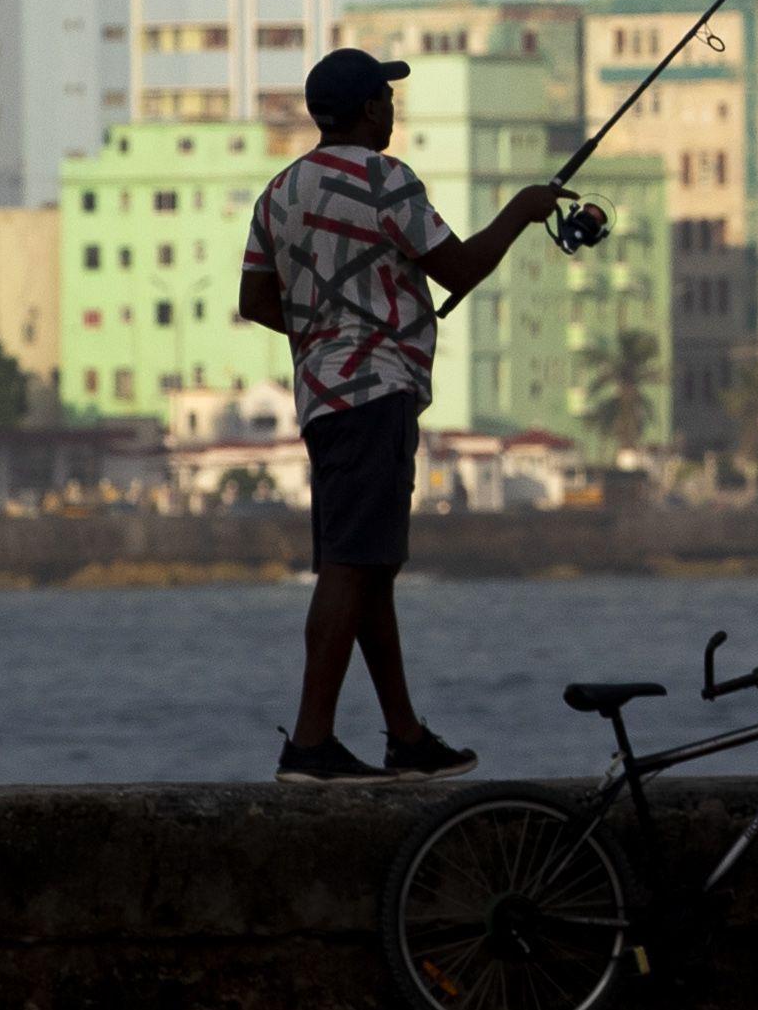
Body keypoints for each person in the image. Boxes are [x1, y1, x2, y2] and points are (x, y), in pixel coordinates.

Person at [234, 47, 568, 783]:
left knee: (371, 566)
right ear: (365, 111)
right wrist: (522, 208)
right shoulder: (387, 180)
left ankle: (404, 734)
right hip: (376, 395)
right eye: (386, 99)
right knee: (350, 565)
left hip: (322, 399)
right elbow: (459, 267)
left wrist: (327, 329)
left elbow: (257, 300)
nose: (393, 109)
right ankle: (311, 744)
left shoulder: (281, 191)